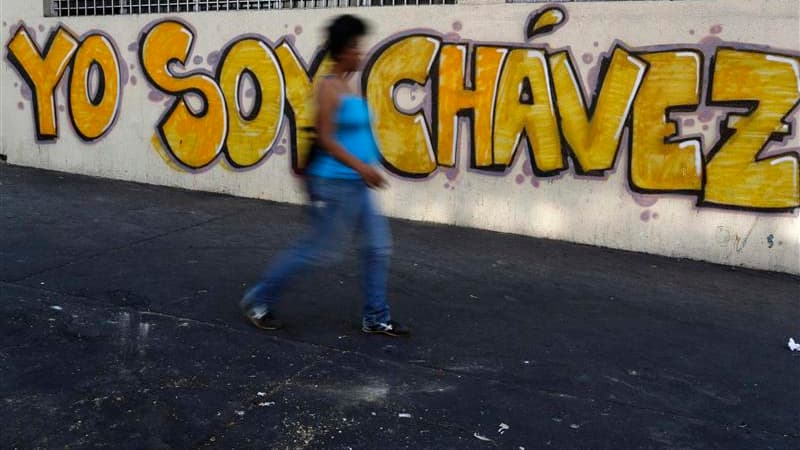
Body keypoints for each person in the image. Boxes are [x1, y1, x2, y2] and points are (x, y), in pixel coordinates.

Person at [239, 15, 409, 337]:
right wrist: (361, 166)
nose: (361, 53)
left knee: (377, 247)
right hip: (335, 184)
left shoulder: (348, 84)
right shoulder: (329, 87)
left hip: (356, 184)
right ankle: (257, 300)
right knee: (317, 250)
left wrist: (364, 168)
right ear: (343, 50)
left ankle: (376, 316)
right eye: (356, 47)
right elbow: (327, 138)